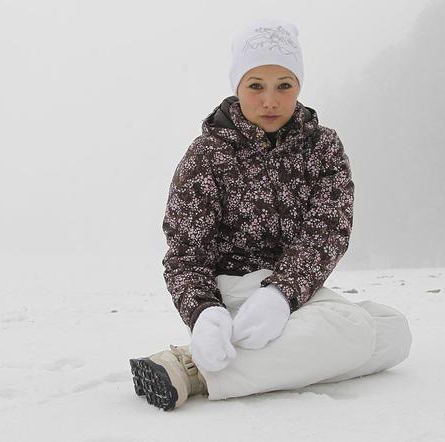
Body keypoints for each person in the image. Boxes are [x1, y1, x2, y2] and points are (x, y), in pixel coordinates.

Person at [129, 18, 412, 411]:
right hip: (231, 291)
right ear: (237, 86)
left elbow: (327, 233)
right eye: (256, 86)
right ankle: (194, 368)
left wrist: (281, 294)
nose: (270, 101)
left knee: (393, 330)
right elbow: (185, 254)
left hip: (293, 291)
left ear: (299, 85)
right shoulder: (207, 154)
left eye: (284, 86)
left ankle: (197, 364)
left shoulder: (322, 147)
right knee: (354, 332)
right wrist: (204, 312)